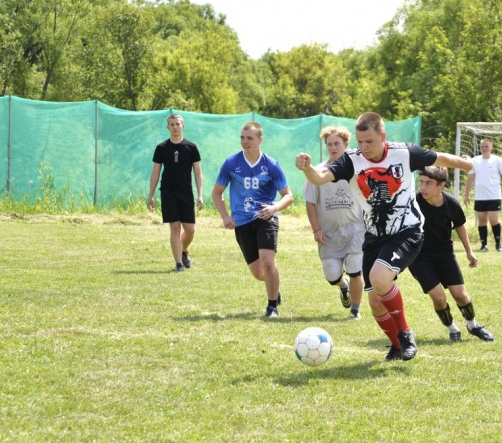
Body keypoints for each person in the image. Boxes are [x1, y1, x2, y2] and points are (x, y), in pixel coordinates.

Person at [296, 112, 473, 362]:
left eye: (369, 141)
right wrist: (307, 169)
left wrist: (468, 164)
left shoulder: (404, 153)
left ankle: (406, 334)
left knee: (380, 279)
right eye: (360, 141)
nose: (364, 148)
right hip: (374, 235)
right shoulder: (351, 160)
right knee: (375, 303)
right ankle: (397, 346)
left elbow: (440, 157)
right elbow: (321, 177)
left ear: (383, 136)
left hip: (407, 230)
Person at [212, 122, 294, 318]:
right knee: (258, 273)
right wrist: (225, 216)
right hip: (242, 221)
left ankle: (272, 306)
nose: (245, 141)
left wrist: (274, 208)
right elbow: (217, 193)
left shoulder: (271, 165)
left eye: (249, 138)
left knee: (267, 261)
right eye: (242, 137)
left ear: (260, 139)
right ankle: (274, 288)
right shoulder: (231, 163)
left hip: (266, 217)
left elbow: (288, 195)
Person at [409, 166, 495, 343]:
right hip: (419, 257)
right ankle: (452, 328)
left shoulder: (451, 204)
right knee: (439, 298)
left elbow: (460, 226)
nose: (423, 188)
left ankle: (473, 326)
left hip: (445, 255)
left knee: (461, 296)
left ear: (441, 185)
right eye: (422, 182)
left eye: (429, 183)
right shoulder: (413, 202)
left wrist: (469, 251)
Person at [304, 126, 366, 319]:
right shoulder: (318, 172)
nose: (333, 147)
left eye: (337, 143)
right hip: (329, 232)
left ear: (346, 144)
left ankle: (355, 310)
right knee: (332, 276)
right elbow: (310, 202)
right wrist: (316, 229)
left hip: (355, 229)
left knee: (355, 270)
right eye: (329, 144)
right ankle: (342, 285)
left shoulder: (358, 168)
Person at [147, 113, 204, 272]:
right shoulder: (162, 148)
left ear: (183, 126)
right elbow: (155, 172)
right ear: (168, 127)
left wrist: (200, 195)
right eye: (172, 124)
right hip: (168, 192)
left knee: (190, 229)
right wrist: (150, 195)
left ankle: (184, 250)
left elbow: (198, 173)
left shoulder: (191, 147)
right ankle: (178, 264)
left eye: (177, 124)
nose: (175, 127)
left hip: (186, 193)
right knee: (175, 227)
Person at [463, 138, 502, 252]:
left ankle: (498, 244)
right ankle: (484, 245)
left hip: (494, 196)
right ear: (480, 148)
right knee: (482, 220)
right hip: (480, 197)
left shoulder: (497, 160)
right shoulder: (475, 161)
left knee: (493, 220)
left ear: (491, 147)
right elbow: (470, 178)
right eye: (482, 146)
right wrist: (466, 195)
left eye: (487, 146)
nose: (484, 148)